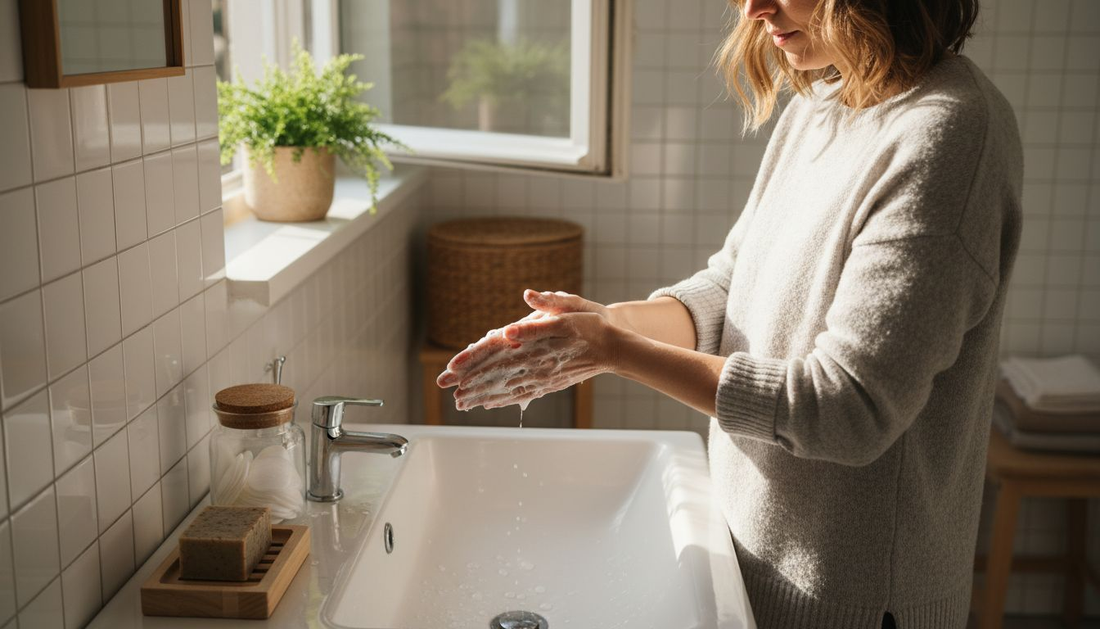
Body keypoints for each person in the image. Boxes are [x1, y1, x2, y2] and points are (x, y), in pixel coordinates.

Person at [437, 0, 1022, 627]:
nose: (753, 8)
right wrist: (608, 326)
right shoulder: (822, 103)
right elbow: (731, 286)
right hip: (748, 558)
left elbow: (849, 410)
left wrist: (613, 352)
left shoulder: (948, 135)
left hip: (851, 598)